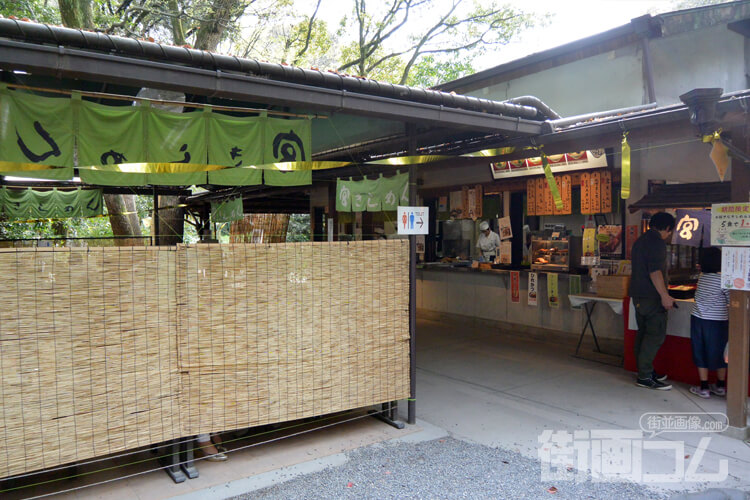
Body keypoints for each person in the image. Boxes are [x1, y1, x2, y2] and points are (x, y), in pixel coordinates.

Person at [629, 212, 676, 390]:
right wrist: (665, 295)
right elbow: (655, 272)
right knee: (655, 335)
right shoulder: (657, 243)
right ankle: (645, 376)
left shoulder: (640, 241)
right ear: (666, 228)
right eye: (669, 232)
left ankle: (644, 370)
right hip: (651, 296)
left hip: (638, 295)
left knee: (643, 333)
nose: (668, 235)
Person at [689, 247, 729, 398]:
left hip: (698, 319)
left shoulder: (702, 277)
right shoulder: (724, 280)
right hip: (718, 321)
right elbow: (732, 301)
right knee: (720, 353)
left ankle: (704, 387)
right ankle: (720, 386)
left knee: (700, 351)